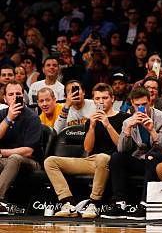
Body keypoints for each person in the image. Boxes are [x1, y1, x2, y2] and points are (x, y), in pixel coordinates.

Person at [44, 83, 128, 218]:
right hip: (91, 161)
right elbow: (88, 148)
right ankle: (68, 202)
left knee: (102, 157)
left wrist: (107, 125)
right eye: (98, 98)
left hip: (111, 161)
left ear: (112, 99)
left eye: (105, 98)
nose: (101, 101)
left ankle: (93, 203)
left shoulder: (123, 118)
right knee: (50, 161)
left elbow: (121, 146)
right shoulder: (90, 121)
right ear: (94, 100)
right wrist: (92, 127)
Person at [102, 87, 162, 220]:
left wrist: (152, 131)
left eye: (144, 104)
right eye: (137, 105)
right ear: (132, 104)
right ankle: (119, 203)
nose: (141, 108)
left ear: (150, 101)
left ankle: (145, 205)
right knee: (116, 158)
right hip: (141, 158)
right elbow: (121, 149)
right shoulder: (128, 121)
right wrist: (127, 130)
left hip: (160, 159)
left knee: (152, 156)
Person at [0, 81, 42, 213]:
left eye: (18, 94)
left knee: (15, 158)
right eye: (10, 94)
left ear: (23, 96)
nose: (14, 97)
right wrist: (8, 119)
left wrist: (1, 152)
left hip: (30, 162)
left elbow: (29, 151)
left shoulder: (32, 117)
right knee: (11, 159)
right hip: (5, 161)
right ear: (5, 98)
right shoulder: (2, 115)